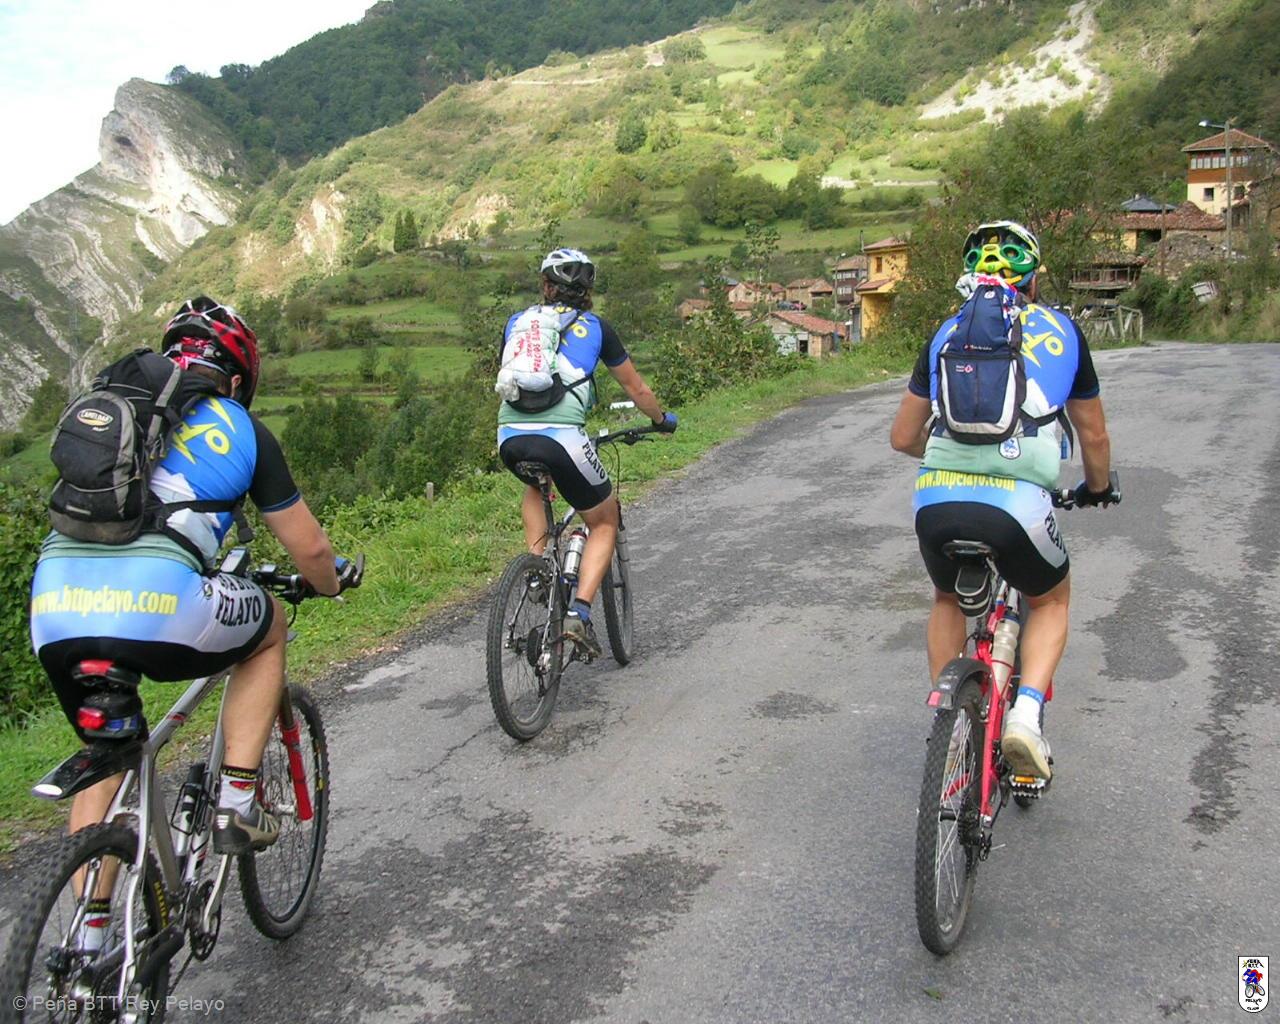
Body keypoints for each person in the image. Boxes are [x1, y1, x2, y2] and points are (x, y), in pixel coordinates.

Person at [30, 296, 356, 862]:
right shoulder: (240, 425)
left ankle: (91, 917)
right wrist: (329, 584)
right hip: (159, 606)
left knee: (108, 755)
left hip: (54, 610)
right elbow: (311, 549)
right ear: (237, 380)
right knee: (270, 629)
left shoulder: (124, 413)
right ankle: (237, 804)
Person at [889, 221, 1115, 779]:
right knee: (1051, 601)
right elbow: (1093, 436)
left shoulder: (948, 333)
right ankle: (1026, 719)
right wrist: (1097, 488)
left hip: (937, 501)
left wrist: (949, 457)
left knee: (947, 600)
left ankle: (951, 727)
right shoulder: (1063, 330)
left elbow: (903, 437)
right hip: (1019, 509)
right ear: (1033, 279)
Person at [498, 248, 676, 657]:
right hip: (563, 439)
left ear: (546, 287)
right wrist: (661, 419)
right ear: (587, 290)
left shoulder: (517, 323)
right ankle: (578, 614)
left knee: (535, 482)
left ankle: (537, 569)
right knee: (604, 520)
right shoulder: (597, 327)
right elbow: (637, 389)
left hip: (509, 437)